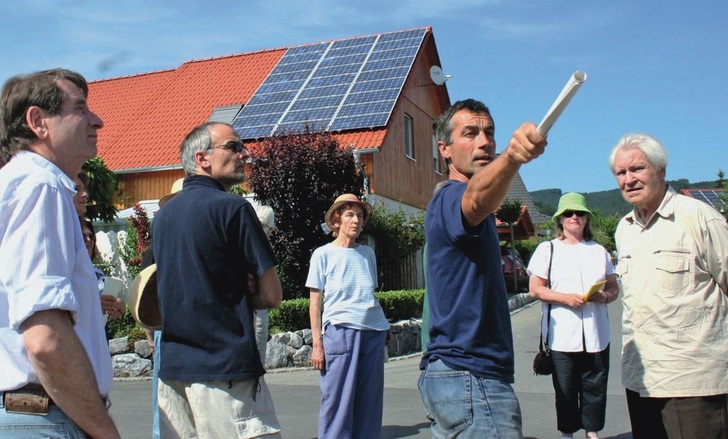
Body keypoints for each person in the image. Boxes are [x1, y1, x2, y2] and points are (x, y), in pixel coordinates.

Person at [0, 69, 120, 437]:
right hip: (43, 418)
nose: (96, 120)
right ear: (38, 122)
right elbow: (45, 338)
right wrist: (105, 431)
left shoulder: (20, 183)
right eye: (79, 108)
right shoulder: (41, 185)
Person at [419, 98, 547, 438]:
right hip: (471, 376)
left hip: (459, 377)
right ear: (444, 149)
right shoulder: (452, 197)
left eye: (489, 133)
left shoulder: (463, 205)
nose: (484, 141)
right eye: (470, 133)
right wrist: (514, 156)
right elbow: (476, 198)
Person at [152, 121, 283, 437]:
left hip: (173, 373)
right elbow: (272, 295)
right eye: (234, 146)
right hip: (225, 372)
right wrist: (242, 291)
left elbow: (150, 291)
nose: (245, 153)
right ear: (202, 158)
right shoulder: (234, 208)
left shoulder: (162, 219)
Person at [609, 133, 728, 439]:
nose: (629, 179)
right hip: (641, 379)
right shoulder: (625, 229)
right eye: (621, 173)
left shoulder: (700, 218)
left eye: (637, 169)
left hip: (693, 382)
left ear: (661, 170)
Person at [527, 192, 619, 439]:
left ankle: (592, 432)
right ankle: (567, 433)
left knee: (595, 385)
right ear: (560, 219)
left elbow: (613, 288)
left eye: (579, 213)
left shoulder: (599, 251)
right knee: (565, 388)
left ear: (587, 219)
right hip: (562, 334)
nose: (574, 217)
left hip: (597, 332)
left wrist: (605, 297)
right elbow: (535, 289)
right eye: (569, 213)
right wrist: (565, 298)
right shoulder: (548, 249)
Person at [306, 193, 391, 439]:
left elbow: (368, 295)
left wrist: (385, 325)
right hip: (340, 331)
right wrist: (317, 344)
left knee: (370, 401)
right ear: (336, 219)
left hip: (373, 332)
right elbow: (315, 303)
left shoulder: (367, 254)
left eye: (360, 215)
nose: (356, 220)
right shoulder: (322, 254)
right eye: (350, 215)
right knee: (338, 400)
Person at [81, 218, 125, 322]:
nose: (88, 240)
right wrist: (94, 305)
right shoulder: (66, 272)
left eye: (91, 237)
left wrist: (117, 305)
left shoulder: (98, 273)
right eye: (83, 236)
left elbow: (106, 302)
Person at [254, 204, 276, 367]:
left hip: (256, 309)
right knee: (257, 361)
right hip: (257, 310)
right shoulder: (259, 247)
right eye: (270, 226)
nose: (271, 231)